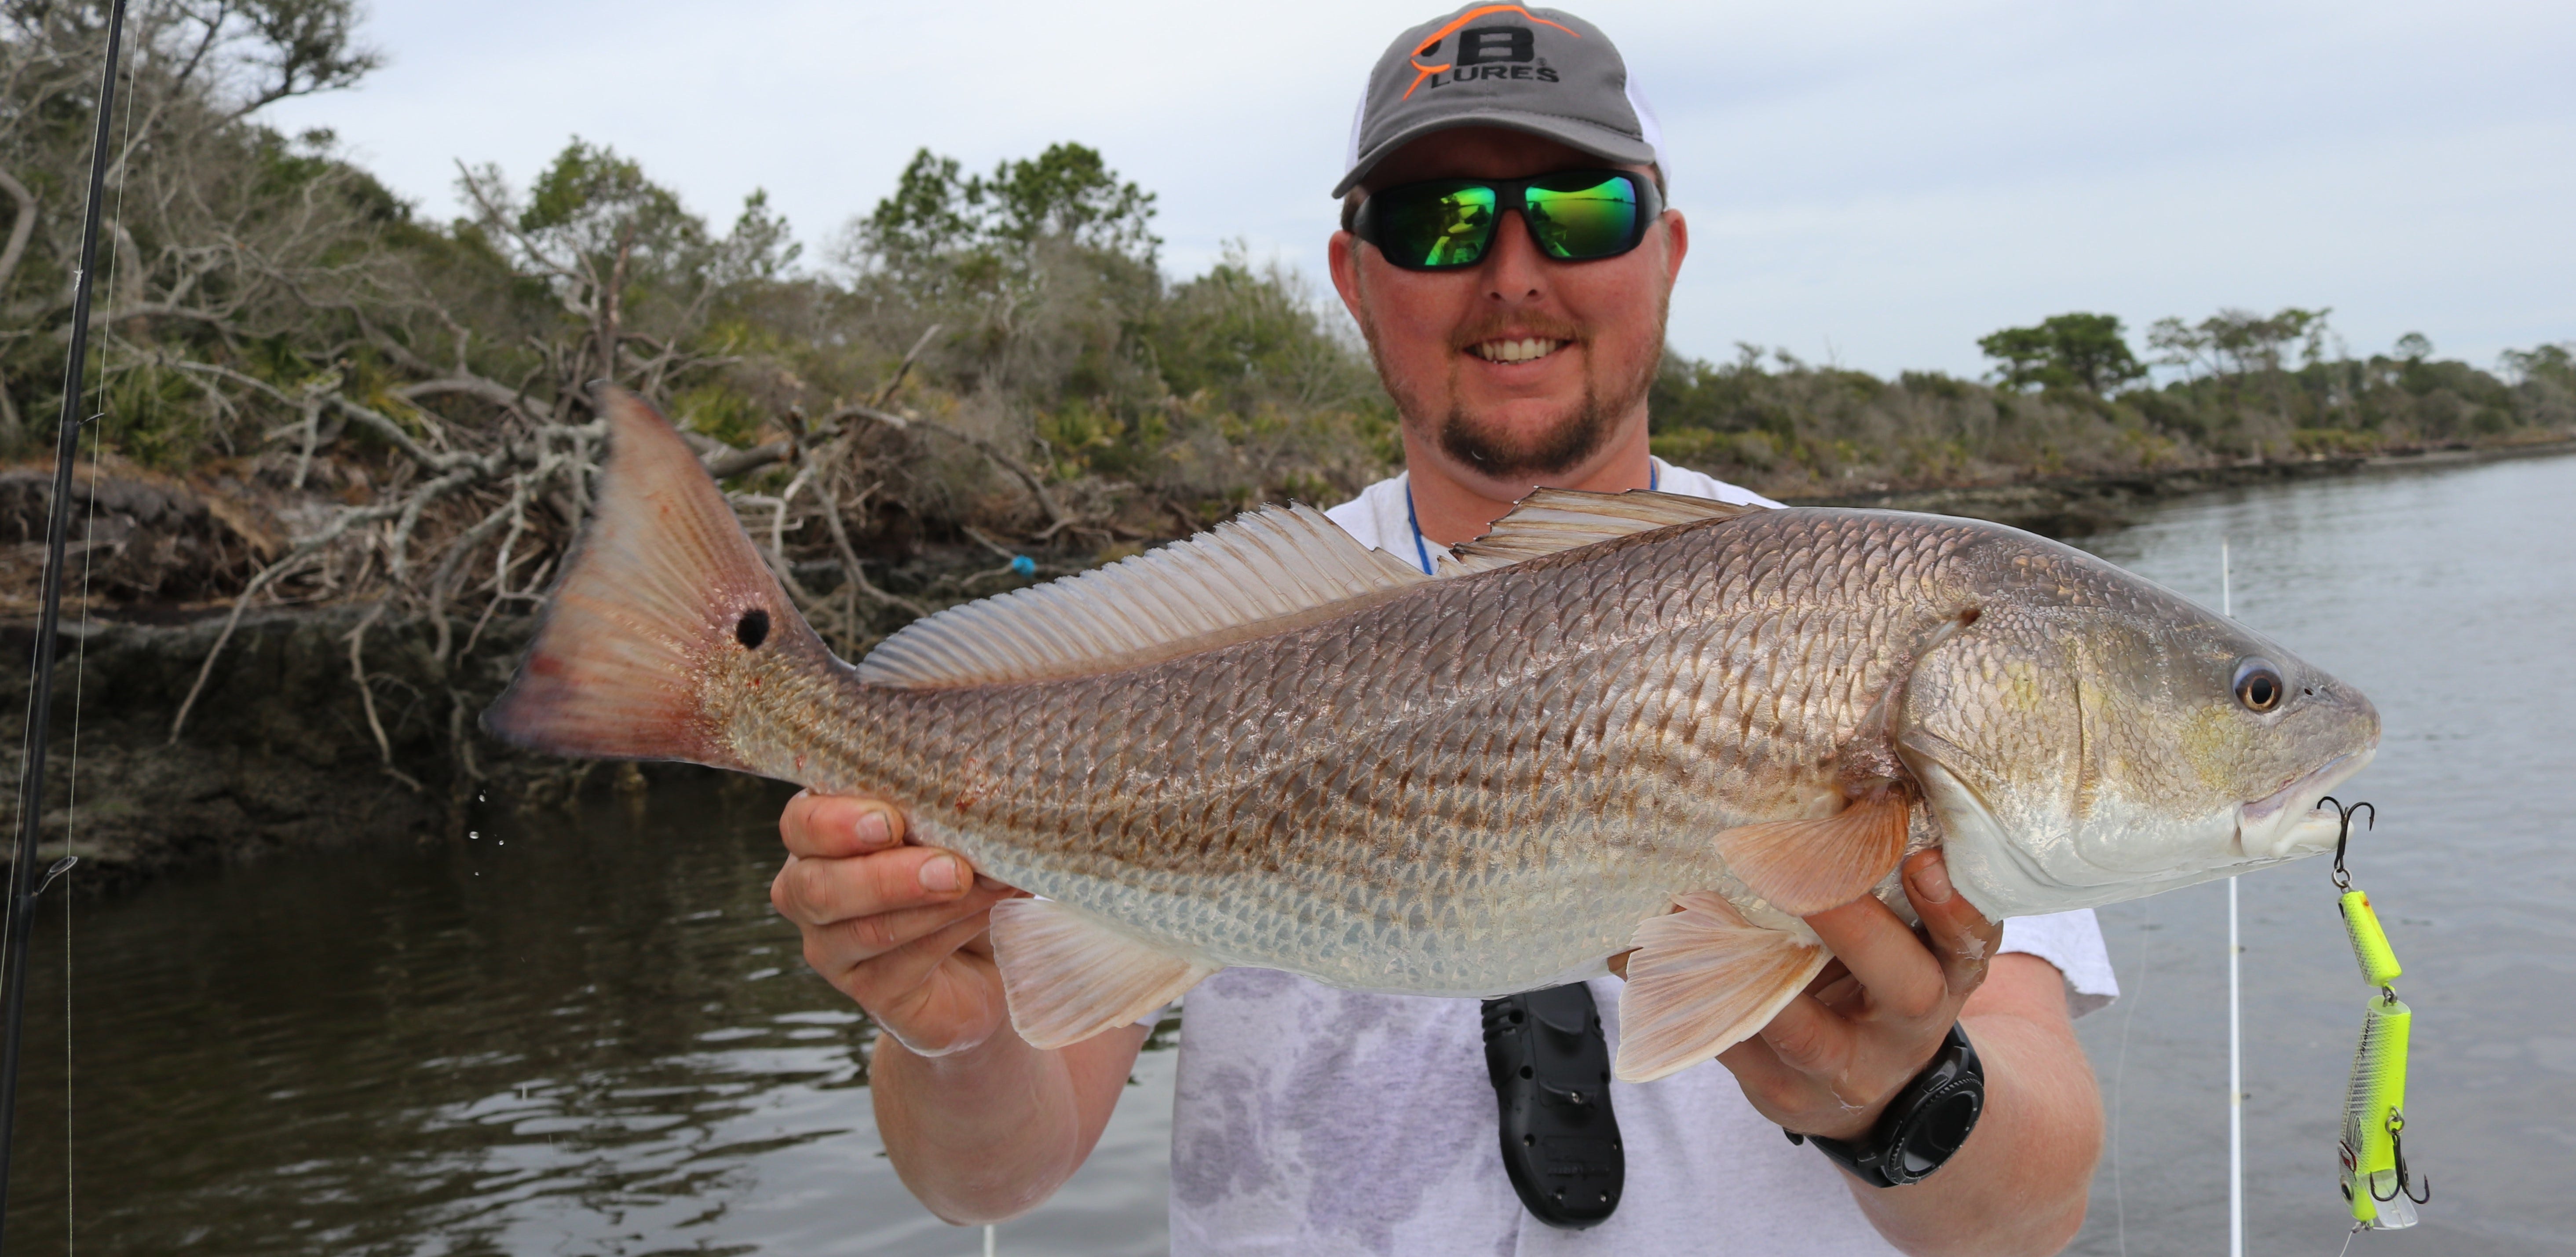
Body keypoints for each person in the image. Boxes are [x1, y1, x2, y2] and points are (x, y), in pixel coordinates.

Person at [768, 6, 2116, 1253]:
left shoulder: (1871, 611)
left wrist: (1896, 1099)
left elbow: (2035, 1208)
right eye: (1437, 219)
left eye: (1583, 210)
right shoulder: (1206, 656)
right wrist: (950, 1034)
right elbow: (984, 1181)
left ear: (1668, 251)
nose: (1513, 272)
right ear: (1355, 276)